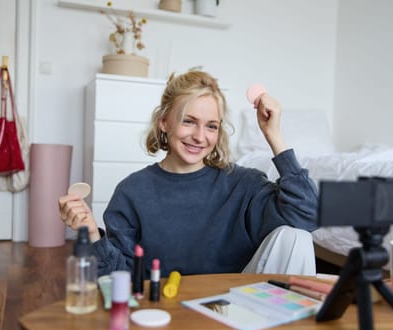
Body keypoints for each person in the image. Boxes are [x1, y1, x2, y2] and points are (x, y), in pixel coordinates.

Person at [58, 70, 319, 278]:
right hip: (164, 309)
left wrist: (273, 134)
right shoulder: (133, 191)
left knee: (297, 236)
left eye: (211, 126)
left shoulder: (244, 183)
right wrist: (91, 233)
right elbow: (118, 278)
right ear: (164, 121)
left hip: (234, 306)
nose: (199, 136)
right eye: (188, 121)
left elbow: (310, 214)